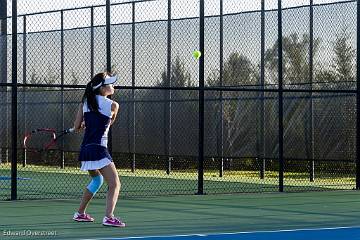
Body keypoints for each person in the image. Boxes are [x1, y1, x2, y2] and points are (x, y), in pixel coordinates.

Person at [72, 72, 125, 227]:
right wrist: (89, 124)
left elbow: (76, 128)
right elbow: (108, 124)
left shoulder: (85, 103)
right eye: (110, 83)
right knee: (115, 184)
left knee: (97, 180)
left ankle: (80, 213)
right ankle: (109, 217)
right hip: (99, 150)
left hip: (86, 150)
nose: (113, 85)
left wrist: (83, 125)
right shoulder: (114, 105)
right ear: (102, 88)